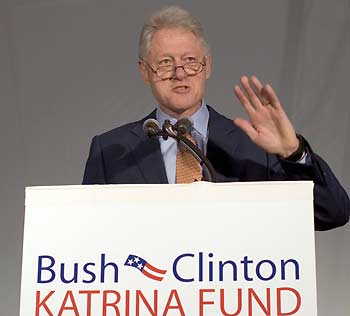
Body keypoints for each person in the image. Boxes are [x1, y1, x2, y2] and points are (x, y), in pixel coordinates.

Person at [83, 6, 349, 231]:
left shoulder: (255, 146)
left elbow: (332, 213)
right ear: (144, 71)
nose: (180, 73)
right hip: (147, 290)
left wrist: (293, 152)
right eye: (165, 62)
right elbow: (87, 235)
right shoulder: (110, 152)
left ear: (207, 66)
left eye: (190, 60)